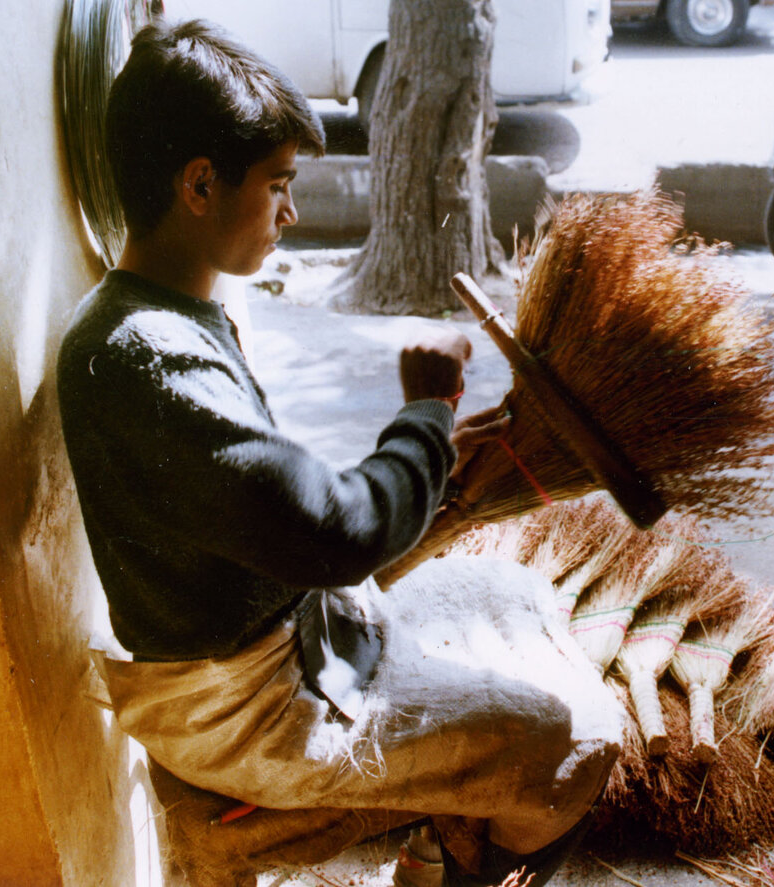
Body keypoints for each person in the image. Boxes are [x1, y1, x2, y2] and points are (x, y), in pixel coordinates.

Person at [57, 19, 622, 887]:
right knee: (566, 734)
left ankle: (434, 859)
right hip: (245, 713)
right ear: (199, 183)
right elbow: (337, 534)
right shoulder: (149, 354)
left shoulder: (161, 318)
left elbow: (283, 503)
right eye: (278, 185)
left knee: (504, 589)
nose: (292, 212)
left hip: (281, 645)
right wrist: (425, 417)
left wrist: (431, 462)